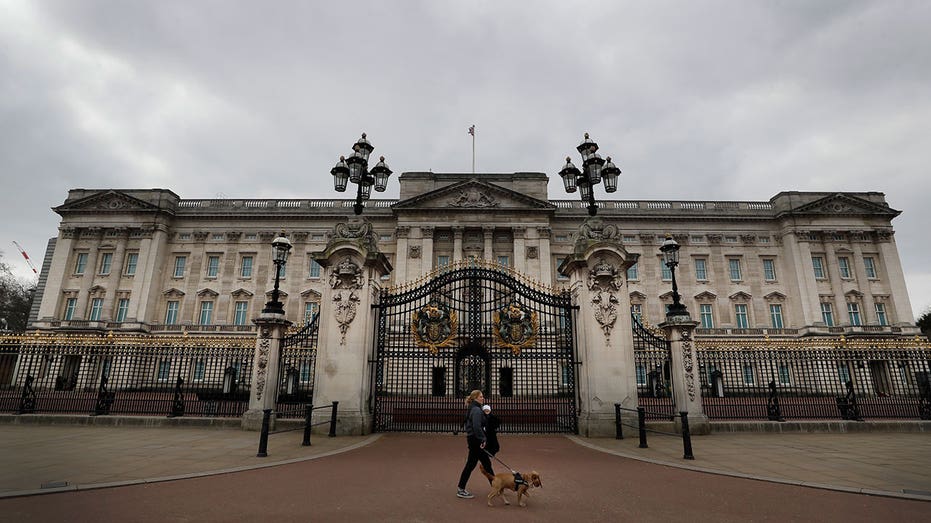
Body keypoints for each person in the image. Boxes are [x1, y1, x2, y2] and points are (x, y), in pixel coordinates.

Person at [456, 390, 494, 499]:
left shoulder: (473, 407)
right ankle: (461, 489)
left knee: (485, 463)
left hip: (473, 439)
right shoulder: (476, 410)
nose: (483, 398)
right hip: (475, 440)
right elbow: (477, 426)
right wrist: (482, 439)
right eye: (481, 396)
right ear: (476, 398)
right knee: (472, 464)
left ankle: (496, 486)